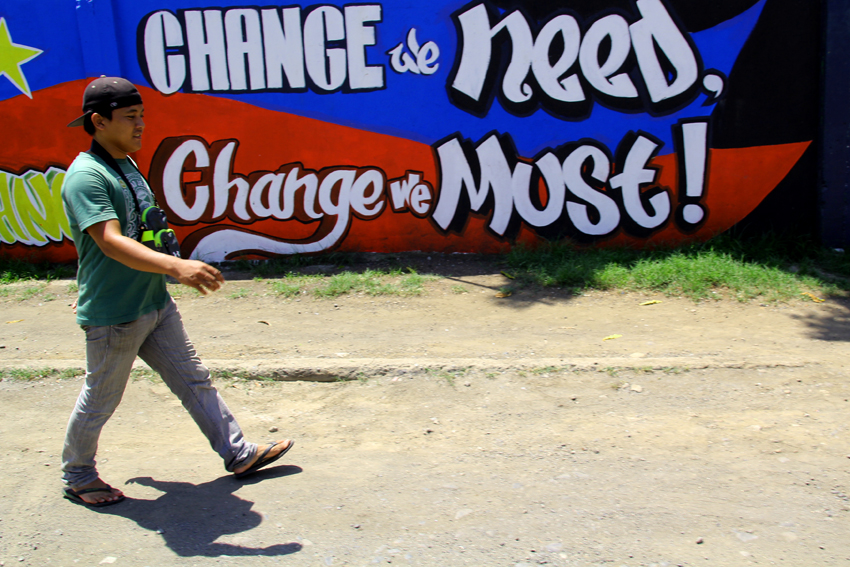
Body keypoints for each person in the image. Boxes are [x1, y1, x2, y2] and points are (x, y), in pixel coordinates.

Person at [60, 76, 293, 507]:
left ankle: (238, 454)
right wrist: (175, 266)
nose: (140, 126)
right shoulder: (85, 177)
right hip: (115, 314)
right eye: (130, 118)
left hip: (152, 303)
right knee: (101, 400)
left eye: (142, 116)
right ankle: (77, 473)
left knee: (193, 380)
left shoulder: (124, 164)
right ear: (98, 121)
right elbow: (110, 240)